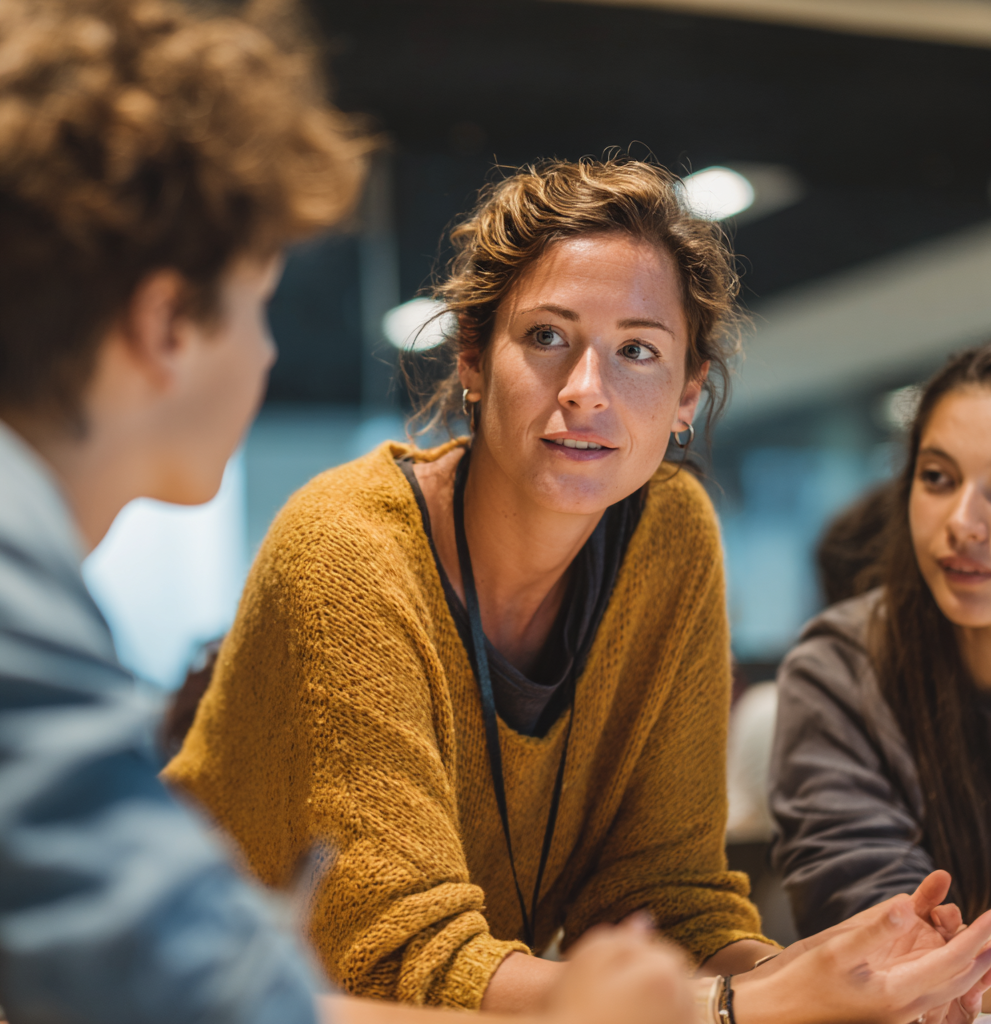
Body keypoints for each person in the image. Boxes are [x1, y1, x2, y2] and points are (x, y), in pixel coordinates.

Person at [165, 157, 991, 1023]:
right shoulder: (349, 547)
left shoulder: (670, 535)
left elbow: (662, 893)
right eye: (545, 337)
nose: (586, 390)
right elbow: (392, 953)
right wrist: (734, 1005)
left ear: (686, 395)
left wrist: (839, 979)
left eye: (637, 350)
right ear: (472, 359)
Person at [0, 3, 708, 1023]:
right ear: (166, 325)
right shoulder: (22, 588)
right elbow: (194, 993)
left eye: (639, 350)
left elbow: (205, 979)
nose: (268, 354)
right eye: (259, 301)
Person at [771, 336, 991, 1013]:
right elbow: (886, 953)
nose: (963, 523)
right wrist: (939, 961)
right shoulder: (843, 670)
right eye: (937, 477)